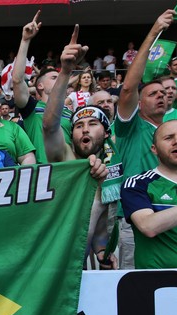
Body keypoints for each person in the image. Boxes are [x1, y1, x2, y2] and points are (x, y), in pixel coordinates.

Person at [42, 26, 113, 268]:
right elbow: (50, 126)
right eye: (78, 125)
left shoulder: (109, 172)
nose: (84, 129)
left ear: (105, 132)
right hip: (49, 264)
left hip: (77, 271)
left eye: (92, 124)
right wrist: (66, 71)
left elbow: (100, 232)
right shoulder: (65, 158)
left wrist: (104, 253)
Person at [115, 9, 175, 268]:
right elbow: (128, 87)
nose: (161, 95)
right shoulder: (132, 126)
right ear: (139, 103)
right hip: (135, 216)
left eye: (164, 93)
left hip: (176, 213)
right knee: (136, 289)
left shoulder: (176, 131)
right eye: (152, 94)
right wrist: (153, 32)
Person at [121, 119, 177, 269]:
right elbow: (148, 226)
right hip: (157, 285)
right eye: (168, 137)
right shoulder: (137, 184)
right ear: (154, 149)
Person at [12, 11, 72, 163]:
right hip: (42, 176)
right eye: (53, 78)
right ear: (39, 85)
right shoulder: (32, 108)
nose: (58, 81)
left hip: (69, 174)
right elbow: (18, 80)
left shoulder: (70, 113)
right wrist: (25, 40)